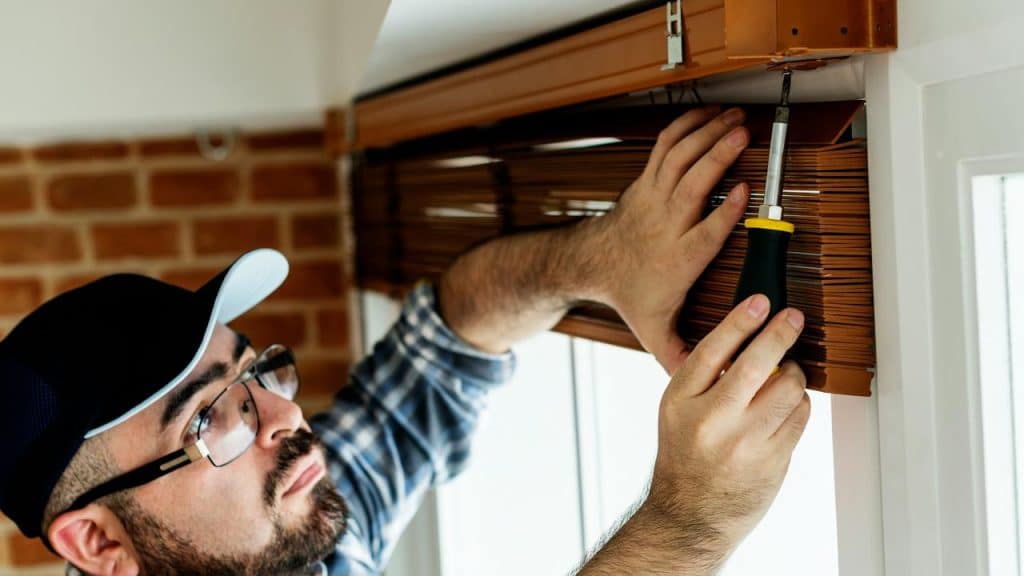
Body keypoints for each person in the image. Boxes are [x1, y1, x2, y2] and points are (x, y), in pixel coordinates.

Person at [0, 106, 809, 575]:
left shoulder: (294, 544)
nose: (284, 420)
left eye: (258, 374)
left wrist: (604, 260)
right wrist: (693, 517)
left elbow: (451, 330)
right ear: (100, 542)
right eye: (209, 420)